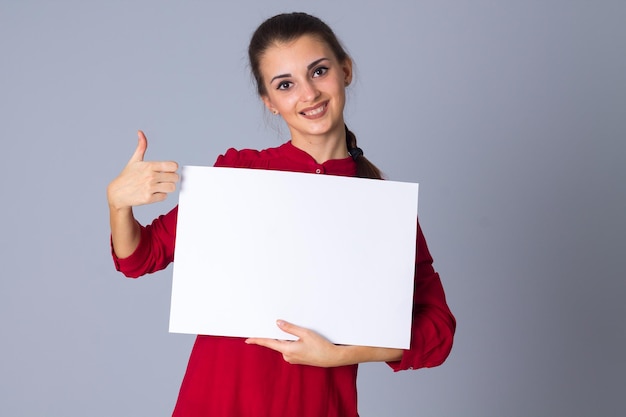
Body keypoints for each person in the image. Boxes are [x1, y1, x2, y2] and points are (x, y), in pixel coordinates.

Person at [107, 12, 455, 417]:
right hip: (218, 401)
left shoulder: (378, 205)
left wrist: (340, 354)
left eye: (319, 71)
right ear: (269, 103)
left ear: (345, 71)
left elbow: (439, 333)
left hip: (318, 405)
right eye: (285, 84)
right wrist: (118, 204)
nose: (307, 94)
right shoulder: (240, 174)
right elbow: (139, 257)